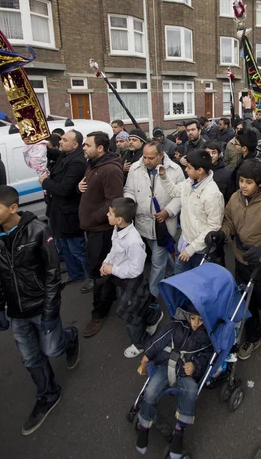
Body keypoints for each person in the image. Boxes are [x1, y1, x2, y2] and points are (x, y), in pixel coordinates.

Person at [0, 185, 79, 435]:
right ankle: (48, 394)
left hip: (40, 308)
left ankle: (70, 337)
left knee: (52, 348)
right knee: (30, 358)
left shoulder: (38, 231)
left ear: (12, 208)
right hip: (15, 312)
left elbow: (53, 276)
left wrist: (49, 313)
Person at [205, 160, 261, 360]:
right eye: (241, 181)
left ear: (259, 183)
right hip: (241, 258)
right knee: (245, 301)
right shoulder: (235, 198)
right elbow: (229, 223)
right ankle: (253, 336)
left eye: (248, 182)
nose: (243, 185)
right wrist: (221, 234)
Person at [136, 303, 212, 459]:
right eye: (193, 318)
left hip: (185, 374)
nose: (196, 323)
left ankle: (179, 431)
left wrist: (195, 366)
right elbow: (159, 340)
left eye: (200, 320)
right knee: (150, 391)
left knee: (191, 390)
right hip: (166, 366)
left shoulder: (207, 338)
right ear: (187, 317)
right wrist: (148, 354)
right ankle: (144, 426)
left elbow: (205, 358)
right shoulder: (176, 327)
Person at [100, 197, 163, 359]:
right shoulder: (118, 230)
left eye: (110, 213)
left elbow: (136, 269)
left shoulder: (133, 241)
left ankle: (140, 343)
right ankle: (153, 317)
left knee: (131, 316)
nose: (107, 215)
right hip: (121, 280)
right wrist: (106, 262)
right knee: (141, 306)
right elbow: (114, 251)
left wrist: (112, 269)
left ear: (119, 219)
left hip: (131, 282)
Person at [124, 141, 184, 300]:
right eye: (144, 157)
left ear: (161, 155)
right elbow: (129, 190)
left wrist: (168, 211)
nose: (146, 161)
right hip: (142, 223)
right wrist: (129, 205)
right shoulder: (135, 169)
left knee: (157, 264)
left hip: (163, 224)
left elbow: (180, 195)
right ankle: (174, 270)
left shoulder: (175, 170)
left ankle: (151, 297)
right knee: (161, 253)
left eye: (151, 158)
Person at [78, 131, 124, 337]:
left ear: (100, 148)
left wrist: (95, 217)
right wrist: (80, 186)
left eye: (87, 145)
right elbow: (92, 188)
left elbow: (113, 200)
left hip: (101, 231)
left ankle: (98, 314)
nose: (84, 148)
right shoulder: (93, 164)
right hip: (93, 229)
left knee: (100, 272)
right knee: (101, 271)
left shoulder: (110, 170)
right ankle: (110, 297)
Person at [39, 130, 92, 292]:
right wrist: (35, 144)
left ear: (74, 145)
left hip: (69, 215)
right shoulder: (65, 154)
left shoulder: (77, 162)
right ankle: (75, 274)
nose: (60, 142)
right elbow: (51, 152)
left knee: (78, 249)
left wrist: (45, 182)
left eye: (64, 139)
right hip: (58, 212)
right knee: (64, 246)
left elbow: (64, 189)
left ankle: (91, 277)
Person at [158, 150, 224, 273]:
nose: (186, 170)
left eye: (189, 167)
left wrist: (191, 249)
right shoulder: (189, 182)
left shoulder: (213, 194)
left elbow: (213, 226)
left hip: (200, 250)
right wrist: (164, 176)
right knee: (181, 280)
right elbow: (174, 191)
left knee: (197, 285)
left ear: (200, 170)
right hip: (185, 242)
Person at [227, 127, 261, 198]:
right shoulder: (255, 156)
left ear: (244, 148)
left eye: (236, 143)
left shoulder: (250, 166)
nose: (234, 145)